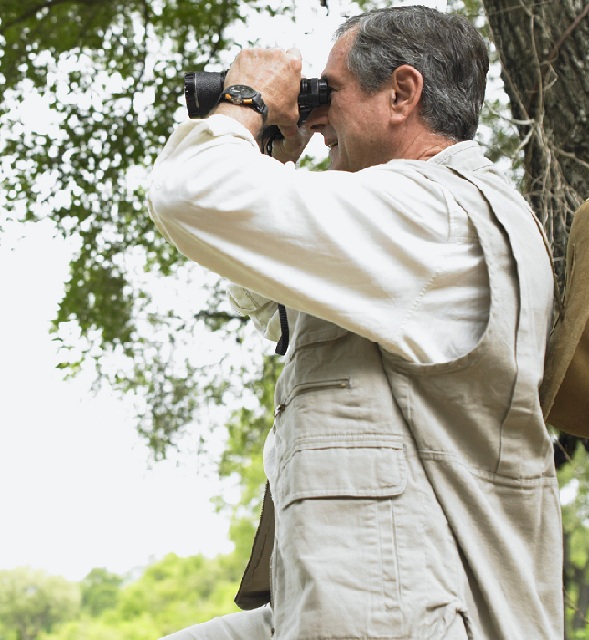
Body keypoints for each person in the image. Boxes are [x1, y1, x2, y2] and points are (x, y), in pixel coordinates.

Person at [147, 6, 563, 640]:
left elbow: (193, 193)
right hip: (383, 602)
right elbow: (263, 295)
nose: (314, 117)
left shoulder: (431, 212)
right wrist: (271, 155)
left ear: (401, 93)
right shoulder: (425, 223)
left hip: (412, 613)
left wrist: (245, 100)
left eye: (328, 92)